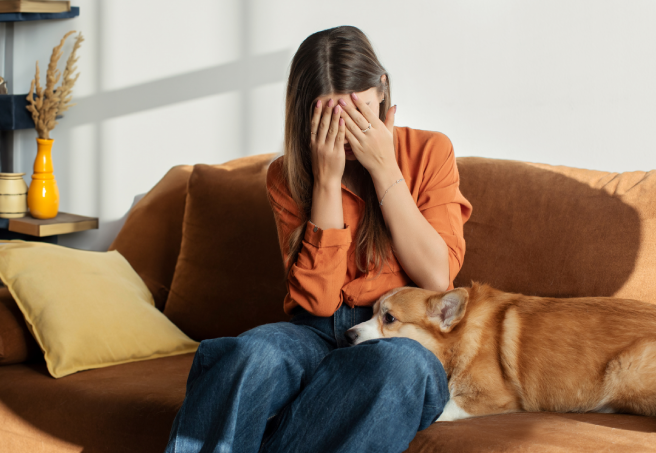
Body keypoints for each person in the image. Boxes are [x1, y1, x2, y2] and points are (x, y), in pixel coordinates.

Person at [165, 25, 472, 453]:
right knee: (252, 354)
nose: (346, 132)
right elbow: (318, 302)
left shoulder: (430, 152)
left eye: (359, 112)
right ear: (305, 114)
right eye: (329, 118)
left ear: (381, 91)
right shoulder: (286, 175)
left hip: (396, 334)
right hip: (313, 331)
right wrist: (326, 183)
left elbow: (437, 277)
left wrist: (385, 170)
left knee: (398, 365)